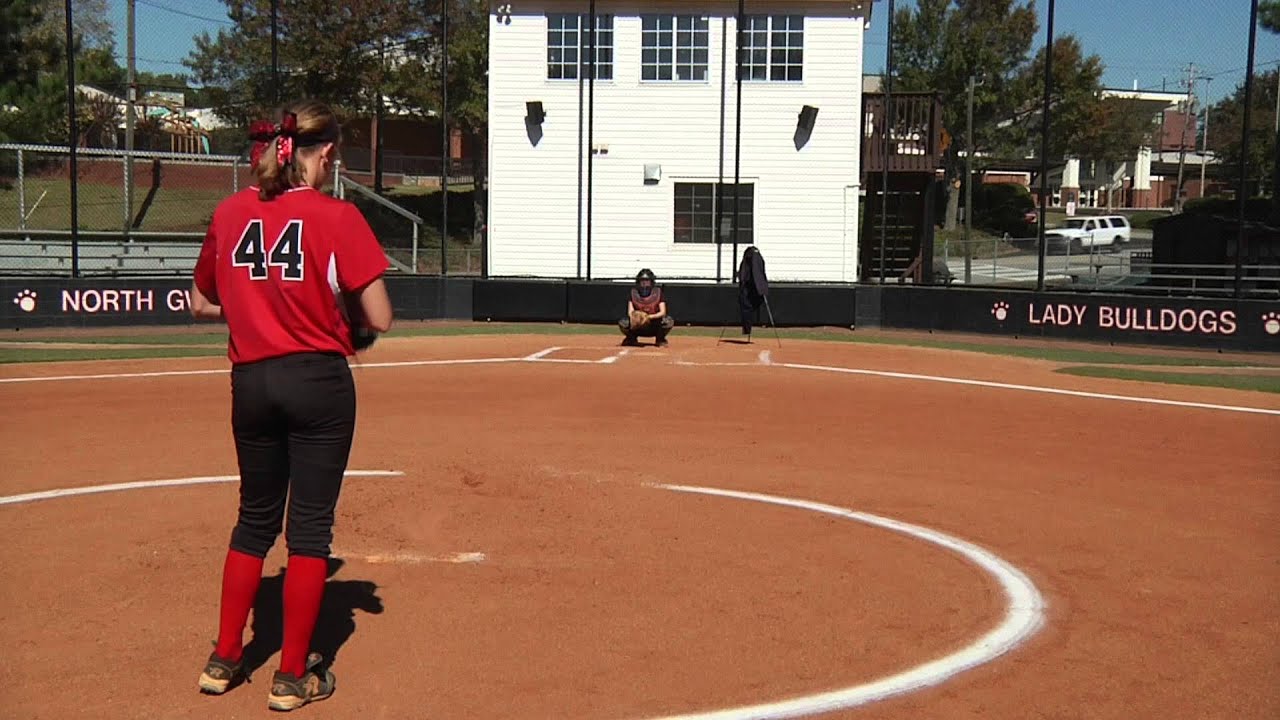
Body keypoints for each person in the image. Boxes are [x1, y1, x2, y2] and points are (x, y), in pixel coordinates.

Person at [189, 100, 392, 712]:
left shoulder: (230, 211)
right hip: (318, 382)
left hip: (250, 382)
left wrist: (256, 312)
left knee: (254, 519)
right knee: (308, 530)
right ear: (324, 153)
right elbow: (378, 315)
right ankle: (292, 675)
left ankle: (225, 658)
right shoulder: (337, 216)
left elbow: (199, 303)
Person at [619, 268, 674, 346]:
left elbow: (663, 312)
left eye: (647, 280)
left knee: (668, 321)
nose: (644, 283)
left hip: (653, 324)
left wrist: (648, 317)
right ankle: (631, 338)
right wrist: (638, 317)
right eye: (642, 280)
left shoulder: (658, 293)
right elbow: (630, 311)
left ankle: (660, 339)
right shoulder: (633, 293)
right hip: (638, 325)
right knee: (623, 322)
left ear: (651, 281)